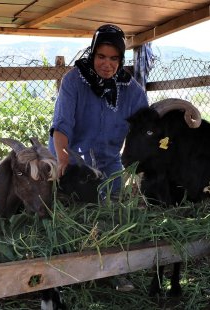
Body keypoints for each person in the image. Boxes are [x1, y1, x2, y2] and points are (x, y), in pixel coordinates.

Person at [49, 24, 149, 195]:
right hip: (71, 162)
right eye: (101, 56)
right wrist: (63, 158)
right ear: (93, 54)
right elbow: (62, 124)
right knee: (73, 207)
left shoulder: (132, 91)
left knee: (113, 209)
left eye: (114, 58)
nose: (107, 64)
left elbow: (146, 128)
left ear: (121, 59)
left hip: (109, 163)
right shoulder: (73, 81)